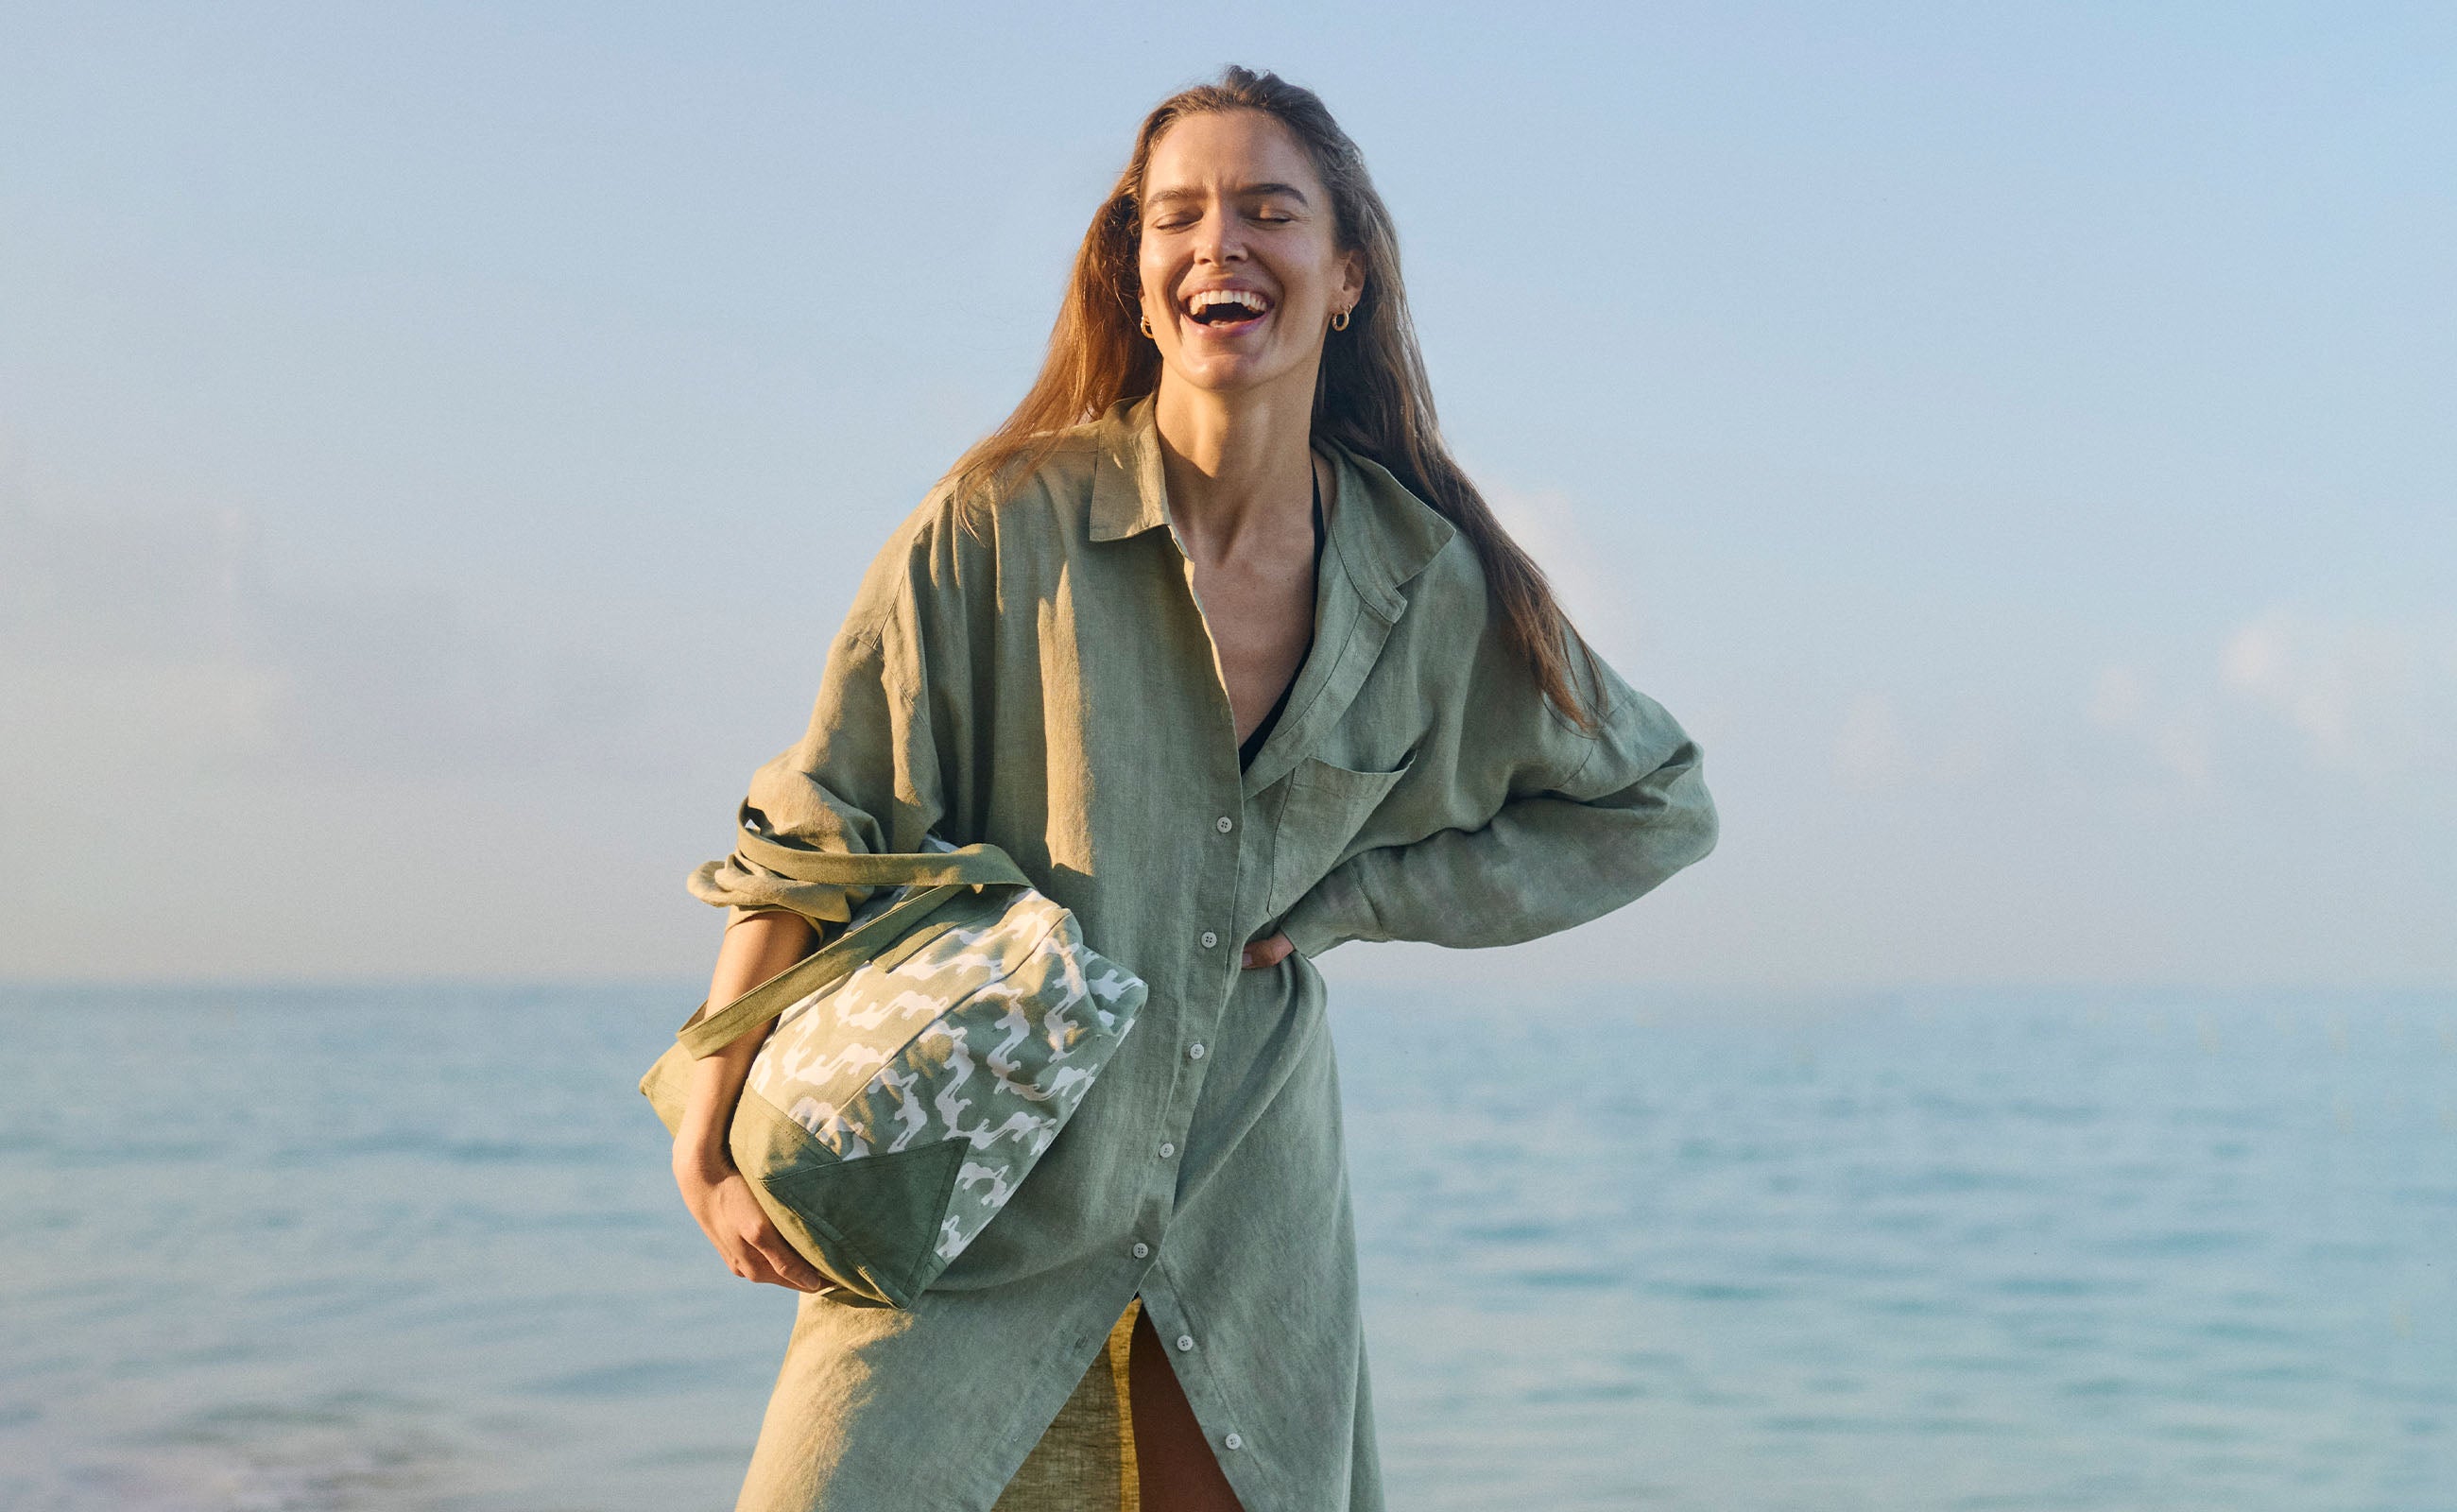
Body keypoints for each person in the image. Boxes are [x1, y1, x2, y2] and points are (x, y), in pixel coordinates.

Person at [669, 64, 1717, 1512]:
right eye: (1178, 217)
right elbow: (823, 814)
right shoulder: (1000, 526)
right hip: (975, 1171)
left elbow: (1654, 802)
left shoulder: (1426, 585)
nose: (1217, 243)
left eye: (1267, 211)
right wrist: (706, 1115)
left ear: (1345, 275)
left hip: (1247, 1208)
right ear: (1142, 275)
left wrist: (1364, 894)